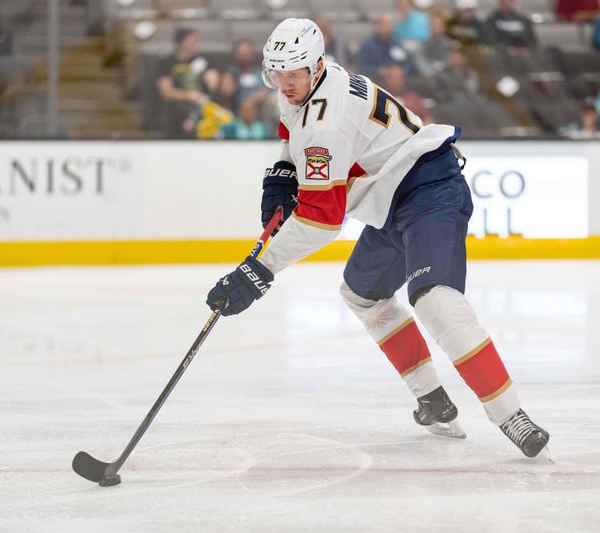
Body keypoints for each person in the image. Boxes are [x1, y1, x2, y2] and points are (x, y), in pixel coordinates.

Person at [205, 18, 550, 459]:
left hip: (429, 191)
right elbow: (292, 132)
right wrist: (283, 171)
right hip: (391, 201)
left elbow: (322, 219)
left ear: (316, 66)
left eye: (293, 74)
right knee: (362, 294)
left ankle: (510, 415)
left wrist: (260, 269)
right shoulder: (308, 86)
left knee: (434, 297)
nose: (284, 84)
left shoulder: (325, 124)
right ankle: (432, 398)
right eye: (277, 74)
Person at [155, 27, 220, 138]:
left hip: (201, 109)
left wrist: (213, 80)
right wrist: (187, 95)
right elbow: (166, 92)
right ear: (182, 43)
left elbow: (213, 86)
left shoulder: (204, 61)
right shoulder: (166, 62)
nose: (197, 44)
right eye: (193, 41)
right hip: (175, 110)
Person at [358, 13, 412, 82]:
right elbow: (363, 68)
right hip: (376, 81)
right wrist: (378, 71)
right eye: (384, 24)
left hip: (397, 80)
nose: (388, 27)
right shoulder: (367, 45)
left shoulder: (397, 43)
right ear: (377, 26)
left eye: (389, 24)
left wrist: (399, 70)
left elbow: (408, 65)